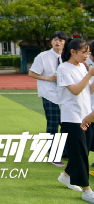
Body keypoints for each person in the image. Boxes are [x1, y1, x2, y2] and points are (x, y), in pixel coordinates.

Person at [56, 38, 94, 202]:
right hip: (72, 117)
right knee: (80, 155)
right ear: (73, 52)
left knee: (83, 151)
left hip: (86, 115)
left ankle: (66, 176)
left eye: (88, 52)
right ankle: (87, 191)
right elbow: (76, 90)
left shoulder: (83, 67)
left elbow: (89, 89)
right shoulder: (64, 68)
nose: (87, 55)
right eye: (83, 52)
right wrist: (90, 74)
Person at [29, 31, 68, 166]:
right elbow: (32, 73)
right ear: (51, 42)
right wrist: (49, 78)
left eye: (61, 40)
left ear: (65, 42)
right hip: (49, 94)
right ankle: (52, 155)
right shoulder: (43, 56)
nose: (58, 42)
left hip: (65, 96)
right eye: (55, 39)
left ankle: (64, 152)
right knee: (53, 124)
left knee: (66, 124)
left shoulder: (68, 56)